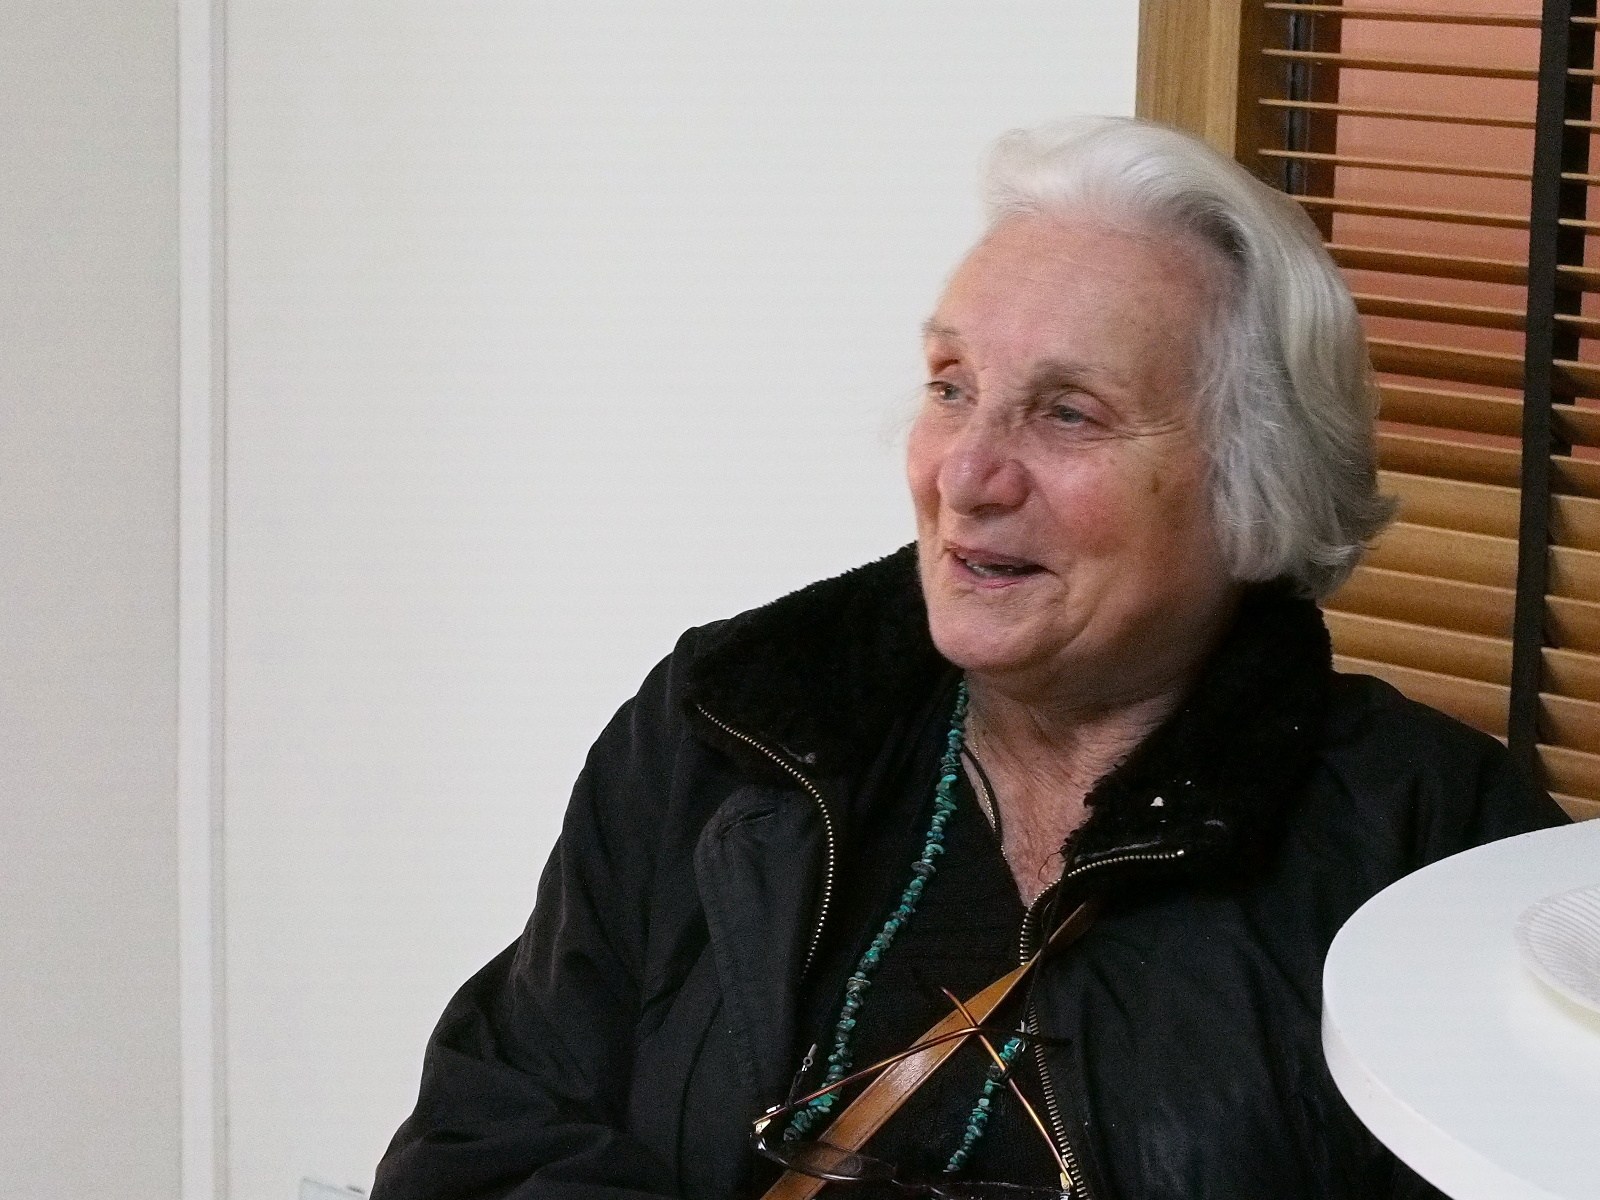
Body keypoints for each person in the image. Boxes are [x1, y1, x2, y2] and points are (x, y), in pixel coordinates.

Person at [371, 117, 1566, 1200]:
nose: (966, 473)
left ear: (1257, 481)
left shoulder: (1432, 849)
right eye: (952, 387)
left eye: (1067, 412)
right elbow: (485, 1142)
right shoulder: (729, 731)